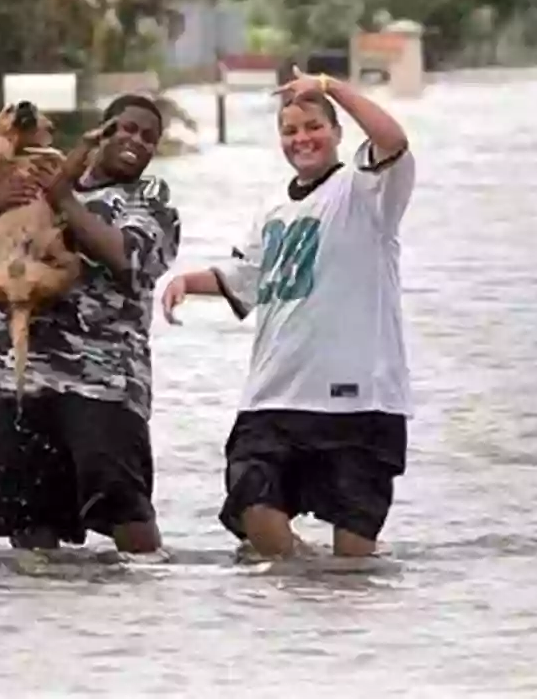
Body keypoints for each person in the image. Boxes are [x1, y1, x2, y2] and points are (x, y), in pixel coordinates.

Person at [160, 66, 414, 560]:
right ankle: (297, 587)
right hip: (273, 397)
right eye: (290, 130)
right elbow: (247, 278)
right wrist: (188, 282)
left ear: (338, 133)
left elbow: (393, 139)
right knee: (254, 508)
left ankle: (331, 612)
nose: (303, 138)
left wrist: (330, 87)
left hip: (357, 403)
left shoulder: (366, 191)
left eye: (315, 126)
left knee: (353, 566)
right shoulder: (274, 204)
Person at [0, 94, 180, 555]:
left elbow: (126, 258)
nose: (135, 141)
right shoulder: (40, 176)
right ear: (100, 133)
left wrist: (62, 197)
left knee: (128, 521)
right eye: (125, 128)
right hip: (18, 380)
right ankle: (42, 628)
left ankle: (151, 621)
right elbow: (0, 258)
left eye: (148, 137)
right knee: (30, 533)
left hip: (102, 384)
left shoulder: (149, 199)